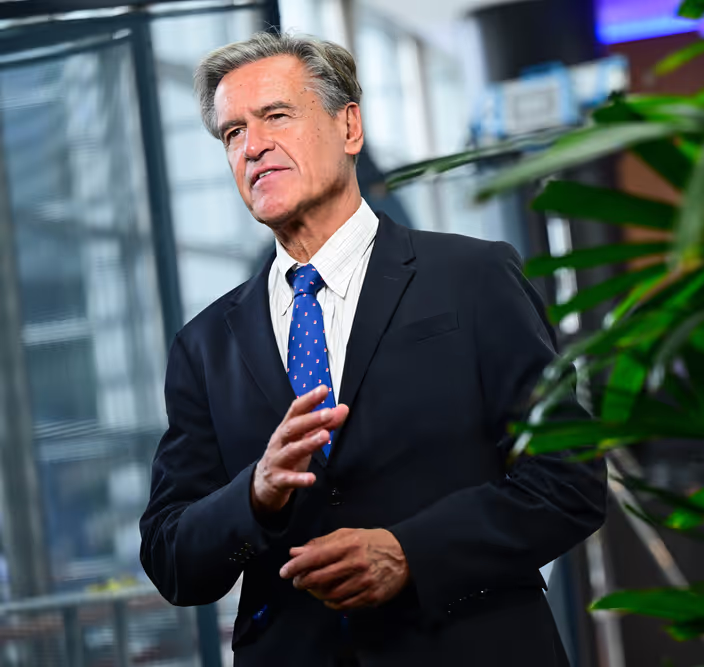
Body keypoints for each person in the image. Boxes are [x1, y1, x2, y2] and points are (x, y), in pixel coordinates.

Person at [139, 31, 606, 667]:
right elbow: (171, 558)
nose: (253, 146)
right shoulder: (204, 345)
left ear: (349, 125)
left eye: (276, 116)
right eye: (232, 133)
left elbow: (568, 482)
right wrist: (255, 493)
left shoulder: (473, 278)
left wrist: (411, 551)